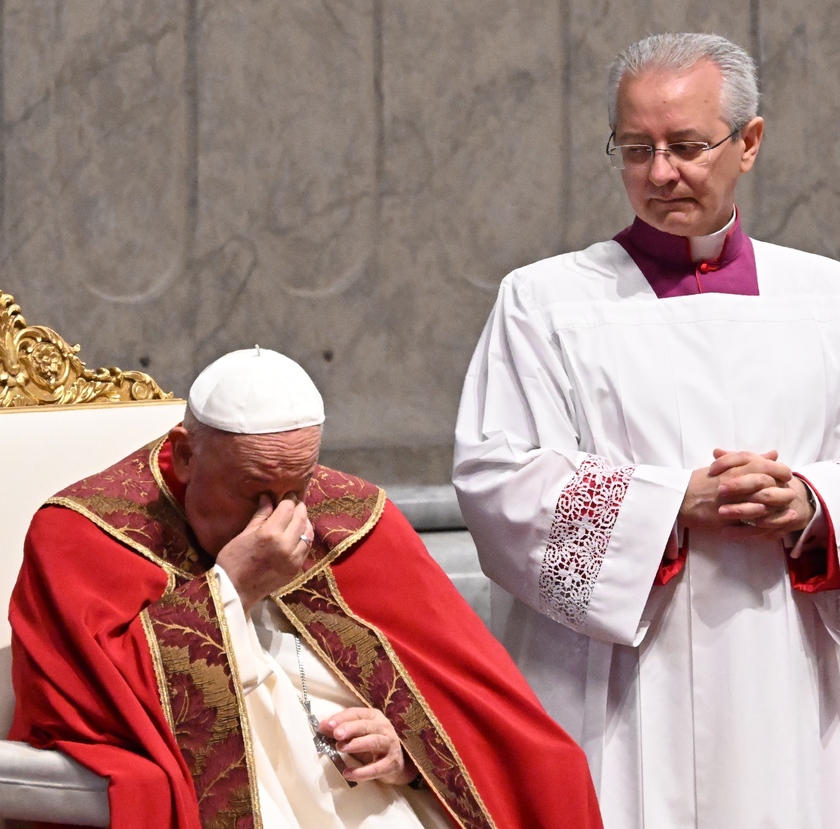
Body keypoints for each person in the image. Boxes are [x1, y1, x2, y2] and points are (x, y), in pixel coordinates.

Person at [453, 32, 840, 829]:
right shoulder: (545, 302)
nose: (661, 172)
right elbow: (496, 482)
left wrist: (810, 504)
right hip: (626, 686)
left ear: (750, 143)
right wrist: (666, 506)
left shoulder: (826, 297)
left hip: (789, 679)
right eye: (637, 148)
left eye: (688, 146)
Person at [9, 347, 602, 829]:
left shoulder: (350, 513)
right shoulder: (82, 532)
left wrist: (409, 755)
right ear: (187, 455)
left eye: (299, 485)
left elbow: (460, 700)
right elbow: (87, 707)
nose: (282, 518)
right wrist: (231, 588)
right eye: (253, 491)